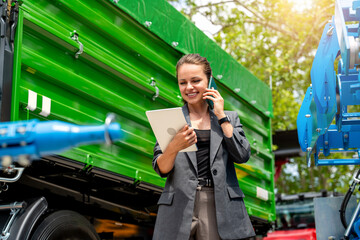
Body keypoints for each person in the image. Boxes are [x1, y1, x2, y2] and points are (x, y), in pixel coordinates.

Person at [152, 54, 255, 240]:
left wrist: (221, 116)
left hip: (218, 204)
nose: (189, 87)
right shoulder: (170, 119)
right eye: (182, 82)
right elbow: (162, 169)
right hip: (179, 205)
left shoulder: (230, 118)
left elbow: (242, 155)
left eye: (196, 80)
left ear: (209, 81)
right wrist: (174, 146)